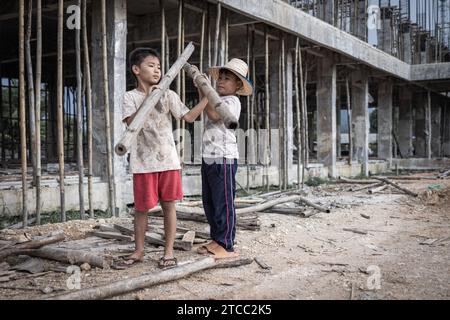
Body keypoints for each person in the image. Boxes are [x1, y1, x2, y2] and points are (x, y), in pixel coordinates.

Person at [122, 47, 208, 269]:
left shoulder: (169, 95)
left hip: (168, 161)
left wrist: (206, 99)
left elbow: (188, 117)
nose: (157, 70)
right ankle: (139, 251)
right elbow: (131, 123)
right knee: (141, 209)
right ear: (136, 70)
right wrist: (150, 97)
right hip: (142, 163)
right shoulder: (130, 97)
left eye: (159, 67)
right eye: (151, 66)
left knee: (169, 207)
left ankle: (168, 252)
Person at [197, 58, 253, 259]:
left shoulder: (232, 101)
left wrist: (205, 90)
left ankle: (227, 244)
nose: (220, 81)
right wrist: (204, 89)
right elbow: (207, 106)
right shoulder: (216, 98)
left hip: (224, 157)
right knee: (210, 201)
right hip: (209, 157)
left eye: (227, 78)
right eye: (220, 77)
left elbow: (213, 114)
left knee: (224, 203)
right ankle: (216, 238)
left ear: (238, 85)